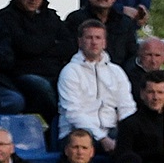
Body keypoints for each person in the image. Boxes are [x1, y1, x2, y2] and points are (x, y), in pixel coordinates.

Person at [0, 0, 73, 123]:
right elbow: (25, 46)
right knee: (41, 86)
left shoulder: (51, 17)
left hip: (55, 73)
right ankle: (60, 122)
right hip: (23, 75)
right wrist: (51, 42)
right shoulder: (6, 17)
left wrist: (38, 47)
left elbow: (69, 46)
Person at [57, 19, 136, 153]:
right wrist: (102, 138)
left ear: (104, 42)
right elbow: (73, 113)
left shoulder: (116, 71)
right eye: (89, 38)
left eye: (98, 38)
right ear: (80, 42)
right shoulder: (70, 71)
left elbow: (127, 107)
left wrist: (129, 132)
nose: (94, 42)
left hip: (111, 130)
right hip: (77, 133)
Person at [66, 0, 138, 68]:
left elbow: (132, 55)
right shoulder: (75, 20)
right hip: (82, 71)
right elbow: (68, 51)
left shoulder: (125, 23)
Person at [116, 70, 164, 163]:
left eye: (160, 92)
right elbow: (123, 161)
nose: (156, 97)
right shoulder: (129, 124)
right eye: (151, 92)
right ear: (142, 94)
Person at [124, 37, 164, 101]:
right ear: (139, 54)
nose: (153, 60)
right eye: (149, 55)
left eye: (157, 55)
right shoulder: (128, 77)